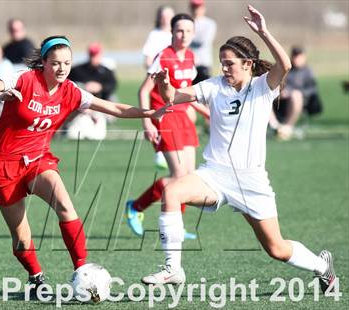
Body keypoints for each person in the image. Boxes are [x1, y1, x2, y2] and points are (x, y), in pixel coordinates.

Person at [141, 5, 337, 295]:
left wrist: (263, 31)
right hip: (214, 174)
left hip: (250, 181)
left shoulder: (262, 87)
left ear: (247, 63)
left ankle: (323, 268)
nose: (223, 68)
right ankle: (173, 269)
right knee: (172, 192)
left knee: (277, 249)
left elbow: (285, 66)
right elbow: (174, 97)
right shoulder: (214, 86)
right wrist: (165, 85)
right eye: (221, 62)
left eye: (229, 63)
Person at [0, 35, 167, 296]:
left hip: (38, 159)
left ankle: (82, 267)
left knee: (65, 205)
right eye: (55, 63)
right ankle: (36, 276)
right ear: (43, 62)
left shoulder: (71, 91)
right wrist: (1, 92)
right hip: (4, 164)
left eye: (67, 62)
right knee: (21, 236)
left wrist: (149, 113)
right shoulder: (24, 79)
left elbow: (113, 108)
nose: (62, 68)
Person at [126, 14, 210, 240]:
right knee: (179, 175)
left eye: (188, 31)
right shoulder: (164, 56)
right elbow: (144, 91)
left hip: (184, 118)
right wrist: (146, 121)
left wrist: (207, 113)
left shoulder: (191, 56)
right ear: (172, 32)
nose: (184, 35)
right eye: (179, 31)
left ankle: (176, 225)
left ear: (194, 34)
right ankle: (135, 206)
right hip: (165, 118)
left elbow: (187, 94)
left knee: (189, 176)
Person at [142, 5, 175, 168]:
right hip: (157, 79)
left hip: (173, 80)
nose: (167, 18)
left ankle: (173, 148)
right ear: (159, 17)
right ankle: (160, 151)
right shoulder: (154, 35)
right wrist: (155, 70)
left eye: (170, 15)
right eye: (164, 15)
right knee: (159, 114)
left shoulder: (176, 35)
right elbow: (148, 59)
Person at [66, 42, 117, 140]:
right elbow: (68, 84)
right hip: (80, 105)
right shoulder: (77, 70)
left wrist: (100, 87)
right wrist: (84, 86)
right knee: (73, 134)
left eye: (96, 55)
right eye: (92, 55)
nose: (94, 58)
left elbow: (112, 86)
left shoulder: (106, 72)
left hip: (100, 105)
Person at [269, 46, 323, 140]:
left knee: (296, 95)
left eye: (299, 56)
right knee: (264, 96)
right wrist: (280, 92)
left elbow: (312, 89)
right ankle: (275, 126)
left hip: (299, 101)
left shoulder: (307, 72)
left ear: (304, 57)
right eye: (295, 56)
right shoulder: (285, 68)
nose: (296, 59)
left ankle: (287, 127)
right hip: (279, 100)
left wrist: (291, 92)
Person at [189, 0, 217, 83]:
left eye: (198, 7)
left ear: (203, 8)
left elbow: (202, 41)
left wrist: (186, 38)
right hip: (188, 64)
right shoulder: (187, 22)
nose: (196, 10)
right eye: (194, 7)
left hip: (203, 64)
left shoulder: (209, 23)